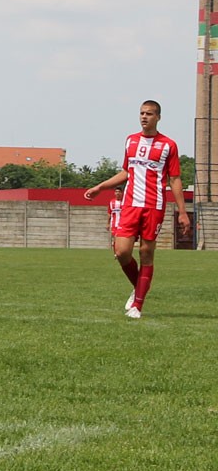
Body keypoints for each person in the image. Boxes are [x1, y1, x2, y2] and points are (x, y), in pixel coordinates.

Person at [84, 100, 190, 319]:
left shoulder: (168, 145)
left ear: (158, 117)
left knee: (145, 253)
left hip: (154, 205)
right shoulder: (130, 141)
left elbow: (175, 179)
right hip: (130, 205)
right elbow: (126, 172)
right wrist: (100, 187)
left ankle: (137, 306)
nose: (144, 117)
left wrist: (182, 212)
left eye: (149, 114)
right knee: (121, 252)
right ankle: (140, 288)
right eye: (142, 113)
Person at [108, 186, 123, 253]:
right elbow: (109, 213)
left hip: (122, 224)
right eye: (116, 192)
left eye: (119, 192)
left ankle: (120, 252)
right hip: (114, 224)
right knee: (116, 239)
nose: (117, 193)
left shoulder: (124, 202)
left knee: (121, 240)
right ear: (114, 193)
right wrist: (108, 224)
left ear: (121, 193)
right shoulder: (111, 202)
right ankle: (116, 253)